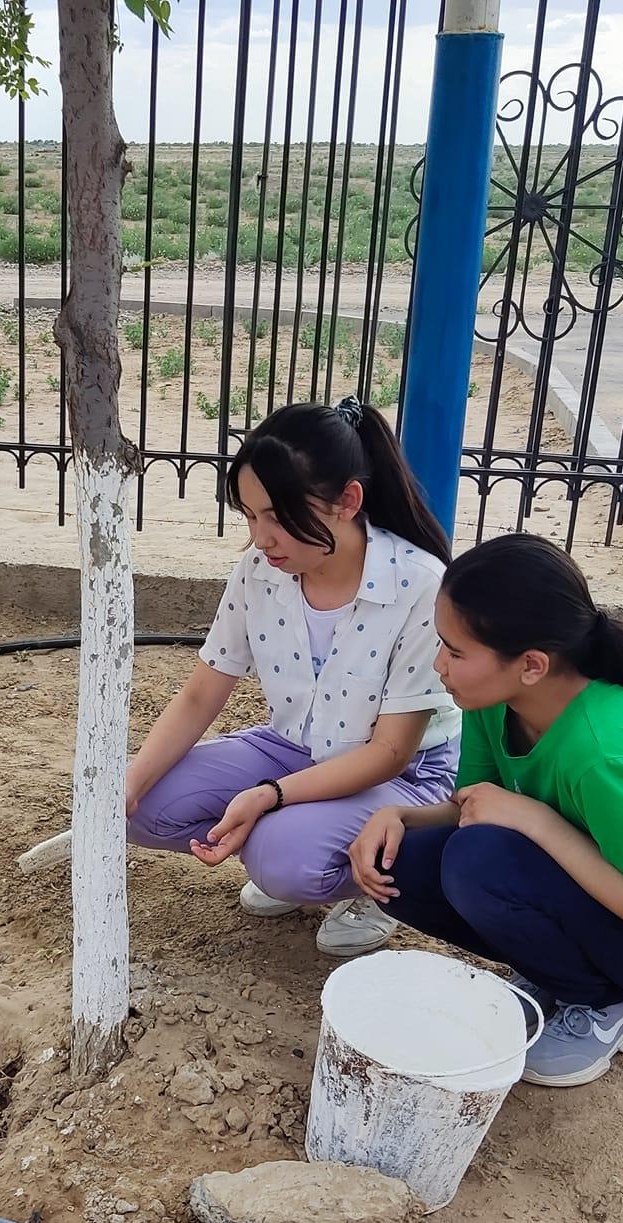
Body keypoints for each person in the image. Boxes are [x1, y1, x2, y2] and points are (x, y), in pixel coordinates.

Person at [347, 533, 623, 1087]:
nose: (438, 663)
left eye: (455, 651)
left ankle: (600, 1008)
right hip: (605, 881)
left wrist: (534, 819)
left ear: (531, 665)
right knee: (401, 862)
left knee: (478, 860)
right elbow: (475, 806)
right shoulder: (496, 700)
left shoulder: (604, 756)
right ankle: (551, 972)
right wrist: (401, 817)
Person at [124, 397, 460, 956]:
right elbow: (202, 692)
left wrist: (270, 796)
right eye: (250, 516)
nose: (261, 538)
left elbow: (389, 752)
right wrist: (129, 784)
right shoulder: (259, 570)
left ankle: (366, 881)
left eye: (278, 517)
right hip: (293, 746)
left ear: (347, 501)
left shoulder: (420, 585)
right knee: (144, 806)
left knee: (281, 860)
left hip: (400, 774)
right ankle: (296, 841)